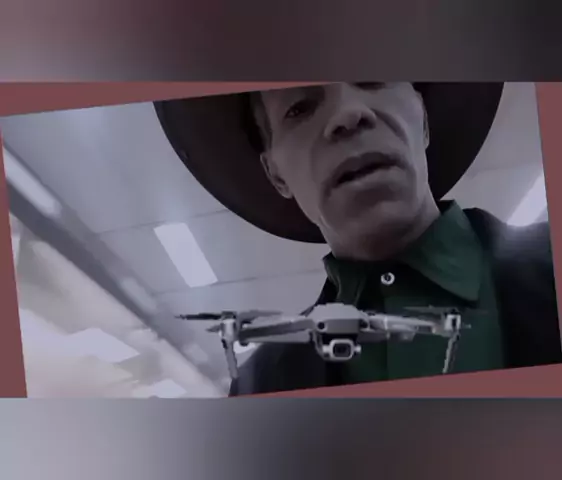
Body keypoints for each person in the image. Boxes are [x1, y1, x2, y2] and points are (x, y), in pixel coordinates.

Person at [155, 82, 561, 396]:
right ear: (276, 174)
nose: (348, 114)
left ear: (422, 118)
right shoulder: (257, 390)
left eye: (373, 78)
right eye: (300, 107)